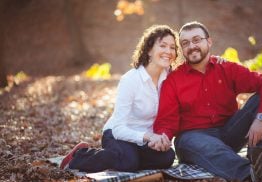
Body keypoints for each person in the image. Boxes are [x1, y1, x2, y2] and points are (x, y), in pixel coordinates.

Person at [153, 21, 262, 182]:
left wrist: (261, 118)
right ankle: (251, 174)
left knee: (260, 100)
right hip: (192, 138)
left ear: (209, 41)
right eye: (185, 43)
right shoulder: (173, 80)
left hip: (229, 132)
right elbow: (166, 120)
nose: (192, 46)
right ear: (182, 49)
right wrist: (162, 137)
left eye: (197, 40)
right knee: (209, 147)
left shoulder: (227, 68)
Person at [60, 25, 178, 172]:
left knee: (167, 158)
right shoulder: (130, 80)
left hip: (146, 140)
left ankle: (121, 156)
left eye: (172, 47)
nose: (168, 51)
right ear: (149, 50)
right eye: (163, 46)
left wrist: (161, 138)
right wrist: (149, 136)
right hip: (117, 135)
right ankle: (80, 155)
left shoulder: (170, 79)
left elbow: (170, 116)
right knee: (128, 163)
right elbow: (118, 129)